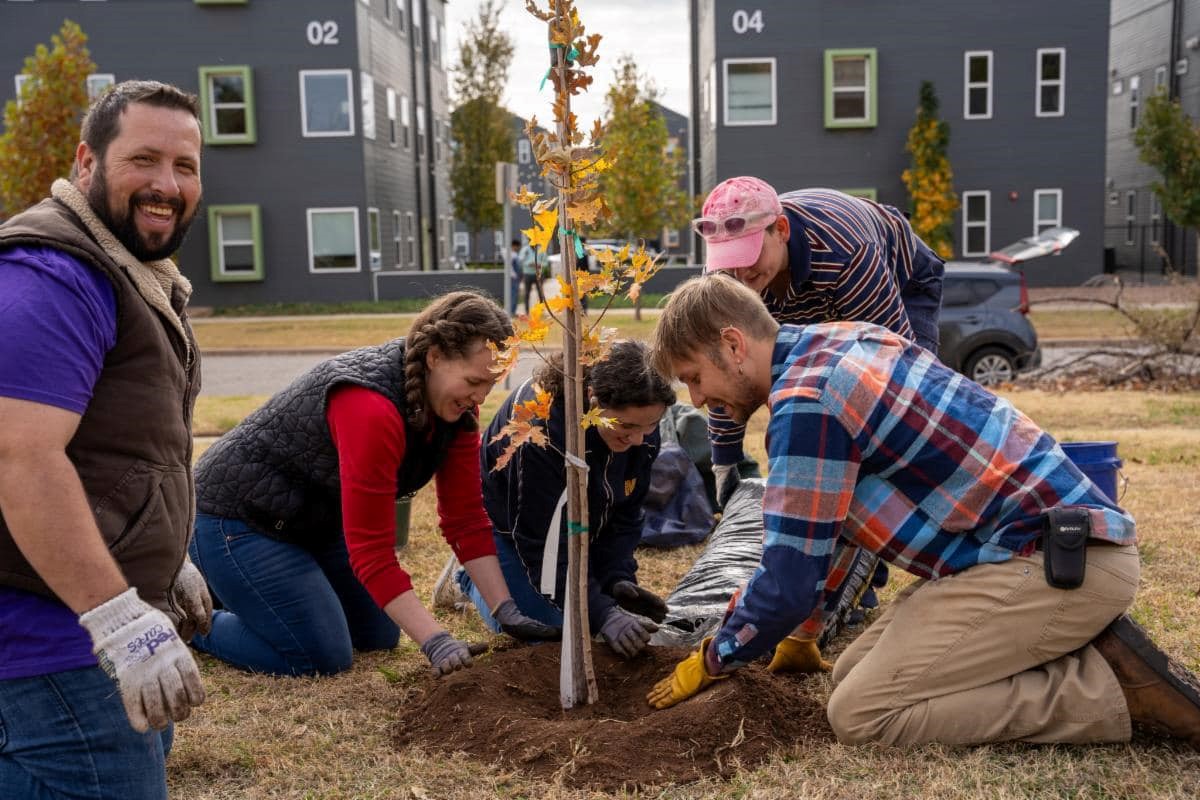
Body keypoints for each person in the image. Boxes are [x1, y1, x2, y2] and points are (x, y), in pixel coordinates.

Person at [645, 275, 1200, 750]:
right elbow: (832, 522)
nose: (696, 399)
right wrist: (803, 632)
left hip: (1057, 564)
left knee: (860, 714)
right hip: (1032, 549)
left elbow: (789, 577)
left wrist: (715, 655)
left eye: (694, 376)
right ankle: (1053, 646)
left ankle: (1107, 689)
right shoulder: (843, 340)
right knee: (847, 675)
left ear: (733, 344)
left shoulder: (807, 403)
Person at [0, 80, 210, 799]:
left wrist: (164, 557)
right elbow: (19, 457)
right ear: (86, 163)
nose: (167, 184)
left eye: (185, 166)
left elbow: (120, 451)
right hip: (50, 640)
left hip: (81, 619)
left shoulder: (130, 273)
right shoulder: (56, 274)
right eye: (144, 160)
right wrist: (117, 618)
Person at [188, 291, 559, 678]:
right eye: (474, 381)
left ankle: (242, 593)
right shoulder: (370, 407)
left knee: (377, 634)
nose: (481, 396)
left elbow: (465, 518)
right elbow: (371, 551)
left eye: (492, 384)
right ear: (435, 357)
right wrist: (436, 641)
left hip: (310, 524)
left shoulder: (453, 407)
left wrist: (506, 609)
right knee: (320, 654)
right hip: (236, 523)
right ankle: (184, 619)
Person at [697, 177, 947, 622]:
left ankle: (865, 572)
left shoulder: (845, 255)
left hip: (901, 284)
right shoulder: (725, 281)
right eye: (729, 264)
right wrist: (725, 458)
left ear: (781, 230)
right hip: (801, 297)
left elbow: (894, 369)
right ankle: (831, 568)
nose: (740, 274)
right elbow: (724, 372)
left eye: (749, 258)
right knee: (803, 422)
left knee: (876, 425)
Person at [459, 340, 676, 659]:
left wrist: (617, 578)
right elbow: (541, 544)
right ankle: (472, 578)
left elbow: (626, 513)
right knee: (552, 632)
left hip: (577, 523)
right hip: (512, 529)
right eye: (626, 426)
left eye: (651, 426)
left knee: (595, 617)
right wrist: (602, 613)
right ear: (593, 400)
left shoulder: (640, 431)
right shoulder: (543, 435)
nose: (639, 439)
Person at [519, 237, 548, 314]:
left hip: (538, 274)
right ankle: (527, 311)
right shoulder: (524, 250)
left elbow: (546, 262)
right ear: (528, 240)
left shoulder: (541, 249)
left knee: (540, 293)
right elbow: (520, 260)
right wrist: (529, 264)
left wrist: (539, 265)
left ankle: (541, 311)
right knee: (527, 293)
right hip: (527, 274)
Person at [507, 238, 522, 314]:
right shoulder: (512, 255)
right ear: (514, 246)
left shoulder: (514, 254)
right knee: (513, 295)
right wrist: (515, 276)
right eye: (518, 247)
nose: (519, 248)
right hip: (513, 278)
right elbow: (510, 267)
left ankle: (512, 311)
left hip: (515, 278)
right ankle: (512, 311)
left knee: (514, 295)